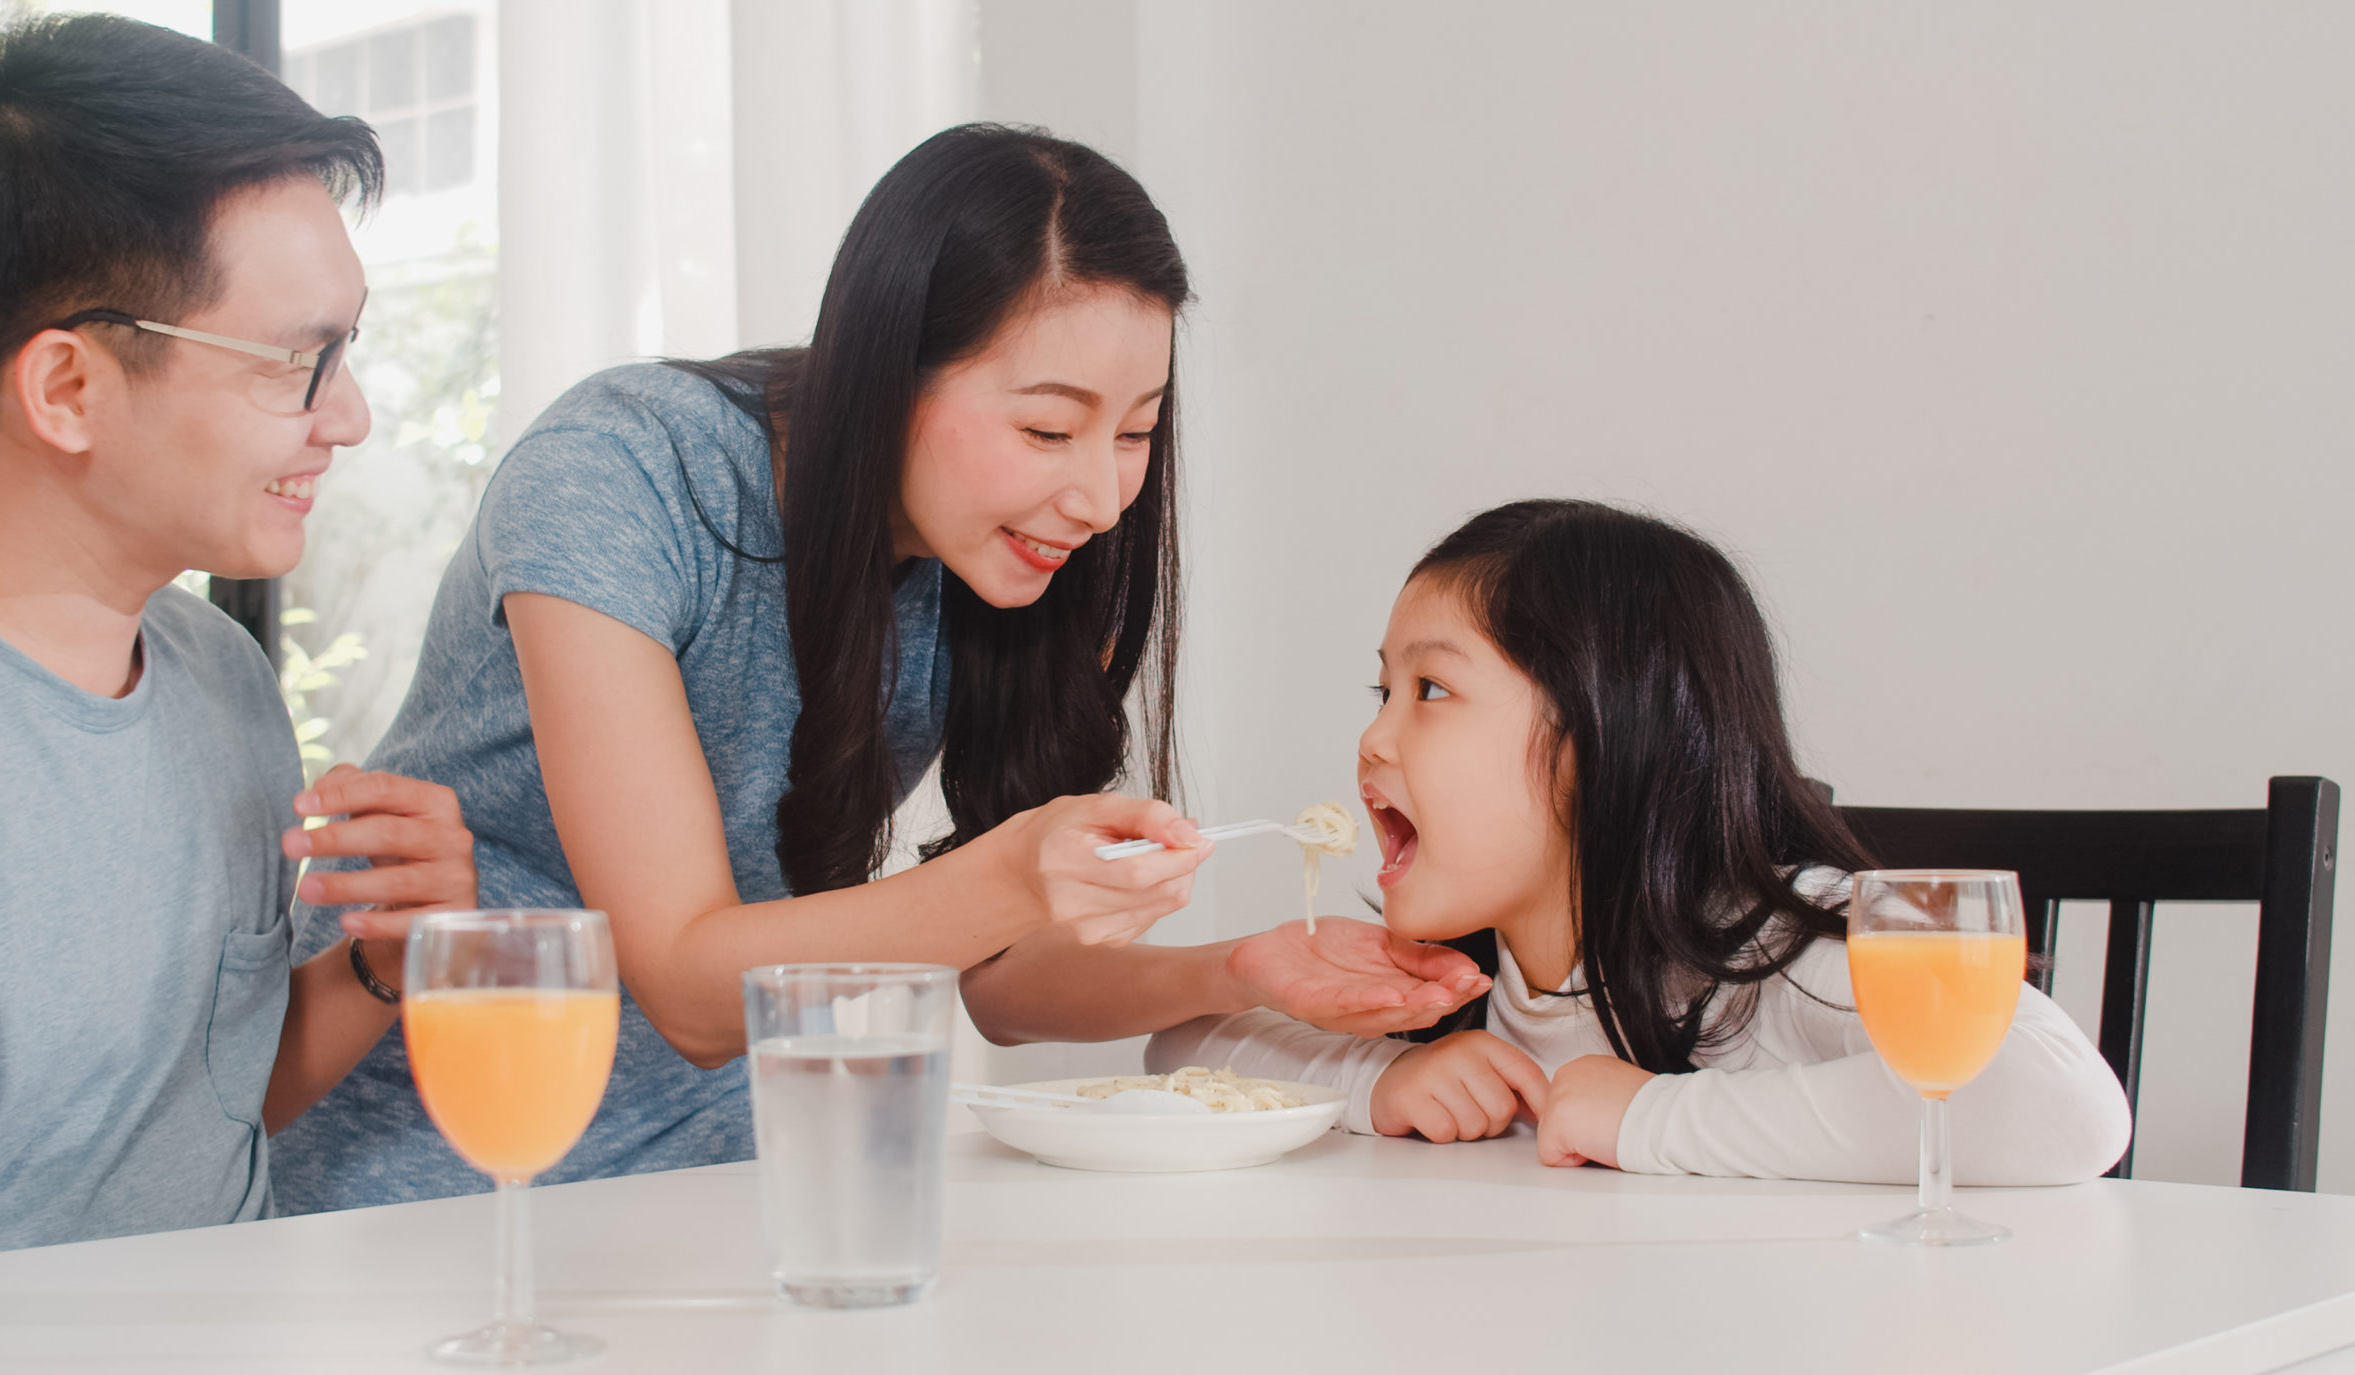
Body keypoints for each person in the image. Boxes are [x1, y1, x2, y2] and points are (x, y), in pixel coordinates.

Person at [272, 124, 1490, 1211]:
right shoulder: (622, 473)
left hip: (729, 1185)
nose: (1101, 495)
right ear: (885, 371)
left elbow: (999, 984)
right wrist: (1013, 878)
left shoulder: (997, 563)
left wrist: (1236, 973)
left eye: (1135, 431)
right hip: (434, 1186)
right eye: (1047, 429)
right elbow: (691, 988)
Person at [0, 16, 478, 1273]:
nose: (351, 416)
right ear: (65, 389)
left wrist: (381, 963)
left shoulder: (218, 673)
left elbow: (203, 1108)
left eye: (348, 351)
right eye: (294, 360)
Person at [1148, 500, 2133, 1184]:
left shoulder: (1769, 948)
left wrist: (1643, 1118)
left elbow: (2058, 1109)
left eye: (1431, 692)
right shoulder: (1446, 978)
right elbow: (1184, 1047)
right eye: (1383, 693)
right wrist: (1382, 1082)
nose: (1373, 737)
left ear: (1600, 740)